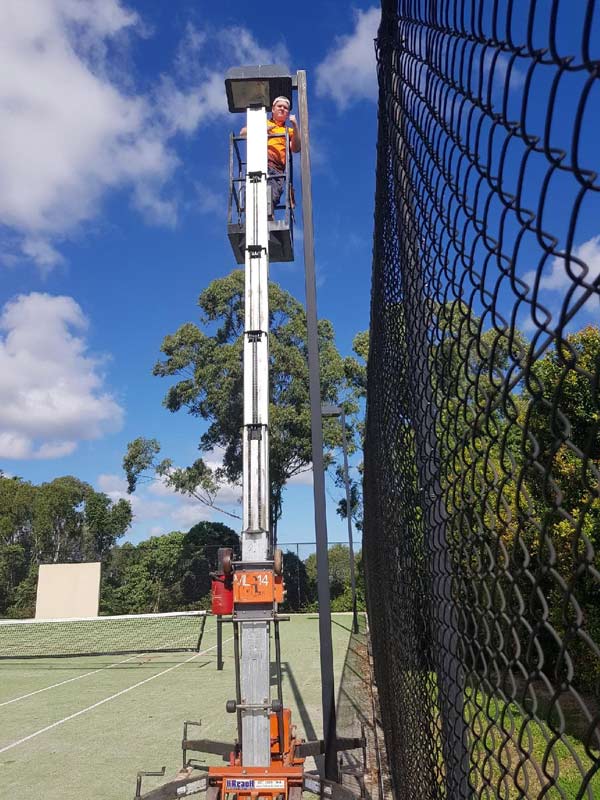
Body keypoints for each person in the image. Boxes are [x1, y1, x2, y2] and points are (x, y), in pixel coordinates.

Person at [240, 96, 301, 217]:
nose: (282, 109)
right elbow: (242, 133)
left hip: (277, 170)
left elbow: (296, 148)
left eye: (285, 108)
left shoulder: (288, 131)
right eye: (280, 106)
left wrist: (295, 125)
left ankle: (268, 219)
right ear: (273, 109)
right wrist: (262, 129)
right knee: (253, 198)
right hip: (259, 164)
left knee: (270, 199)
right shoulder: (264, 123)